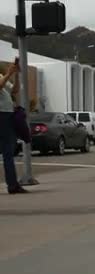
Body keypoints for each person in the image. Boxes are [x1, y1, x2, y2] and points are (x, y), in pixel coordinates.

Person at [0, 60, 27, 194]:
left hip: (7, 115)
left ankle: (13, 184)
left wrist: (15, 74)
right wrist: (9, 73)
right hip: (2, 116)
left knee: (9, 151)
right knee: (7, 152)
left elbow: (15, 90)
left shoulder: (0, 76)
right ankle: (12, 185)